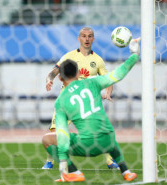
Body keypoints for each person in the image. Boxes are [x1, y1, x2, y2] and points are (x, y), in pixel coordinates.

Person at [42, 38, 141, 182]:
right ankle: (126, 170)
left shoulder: (60, 101)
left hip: (88, 145)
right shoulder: (92, 82)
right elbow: (118, 74)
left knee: (47, 139)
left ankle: (73, 172)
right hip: (109, 140)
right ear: (78, 74)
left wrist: (63, 163)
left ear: (60, 79)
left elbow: (62, 134)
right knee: (105, 130)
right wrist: (134, 54)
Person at [42, 27, 117, 170]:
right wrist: (49, 80)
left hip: (86, 102)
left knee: (99, 130)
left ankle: (109, 160)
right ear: (79, 38)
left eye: (90, 36)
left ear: (93, 39)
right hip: (67, 100)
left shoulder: (98, 60)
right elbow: (53, 72)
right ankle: (49, 161)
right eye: (83, 36)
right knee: (55, 130)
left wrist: (108, 92)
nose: (87, 39)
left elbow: (108, 80)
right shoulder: (69, 56)